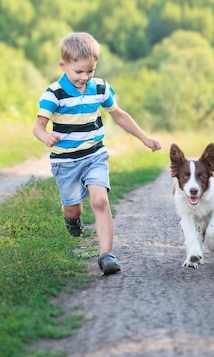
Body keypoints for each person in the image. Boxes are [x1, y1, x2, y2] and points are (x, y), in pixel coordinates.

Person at [33, 32, 162, 275]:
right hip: (65, 161)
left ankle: (106, 256)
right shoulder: (54, 93)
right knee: (74, 207)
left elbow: (119, 115)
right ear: (64, 65)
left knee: (100, 201)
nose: (84, 77)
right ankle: (71, 218)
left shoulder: (100, 87)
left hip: (94, 155)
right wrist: (45, 136)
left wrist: (145, 138)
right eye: (78, 72)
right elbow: (38, 125)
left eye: (90, 71)